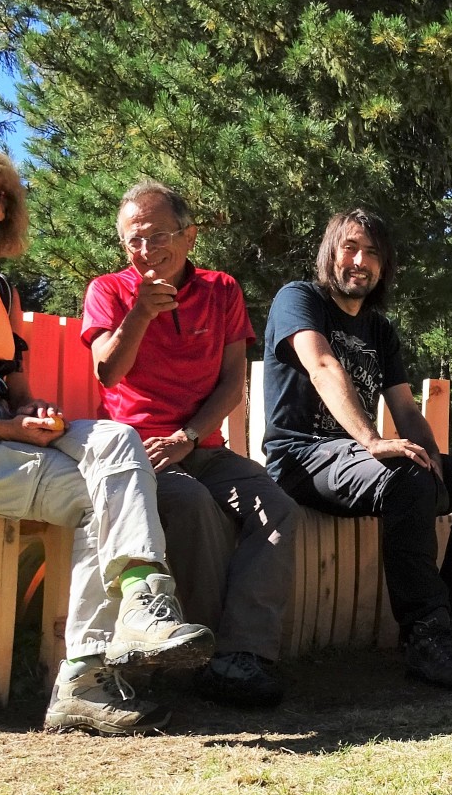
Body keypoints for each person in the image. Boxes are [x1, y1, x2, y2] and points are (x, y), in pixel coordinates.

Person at [0, 140, 212, 735]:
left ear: (5, 210)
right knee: (100, 500)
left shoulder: (1, 292)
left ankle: (141, 604)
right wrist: (6, 427)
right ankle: (87, 674)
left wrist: (37, 413)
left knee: (116, 442)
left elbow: (19, 392)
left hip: (4, 442)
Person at [261, 208, 452, 692]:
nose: (359, 261)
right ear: (330, 252)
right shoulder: (300, 299)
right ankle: (423, 635)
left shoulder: (379, 330)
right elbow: (324, 366)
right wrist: (372, 441)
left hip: (354, 462)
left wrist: (433, 454)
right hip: (303, 457)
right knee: (404, 475)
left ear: (384, 266)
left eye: (372, 253)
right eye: (350, 247)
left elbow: (406, 409)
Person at [82, 181, 297, 707]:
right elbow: (108, 373)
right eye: (134, 240)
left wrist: (189, 436)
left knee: (278, 508)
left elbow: (232, 384)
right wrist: (140, 314)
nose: (147, 250)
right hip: (136, 453)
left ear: (189, 236)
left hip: (200, 445)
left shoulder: (221, 290)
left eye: (158, 236)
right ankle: (196, 653)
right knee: (192, 505)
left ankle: (240, 656)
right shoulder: (108, 291)